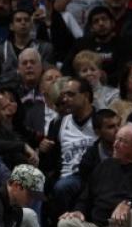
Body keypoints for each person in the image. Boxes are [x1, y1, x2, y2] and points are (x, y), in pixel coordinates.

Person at [40, 77, 97, 216]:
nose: (65, 99)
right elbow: (49, 163)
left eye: (70, 95)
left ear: (86, 96)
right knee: (60, 186)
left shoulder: (101, 119)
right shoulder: (58, 123)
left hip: (95, 175)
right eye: (64, 95)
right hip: (68, 176)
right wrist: (43, 151)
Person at [0, 11, 54, 89]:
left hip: (37, 91)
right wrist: (2, 91)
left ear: (31, 25)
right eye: (18, 20)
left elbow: (50, 75)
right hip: (5, 91)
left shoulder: (44, 48)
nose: (23, 23)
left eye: (26, 20)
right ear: (11, 26)